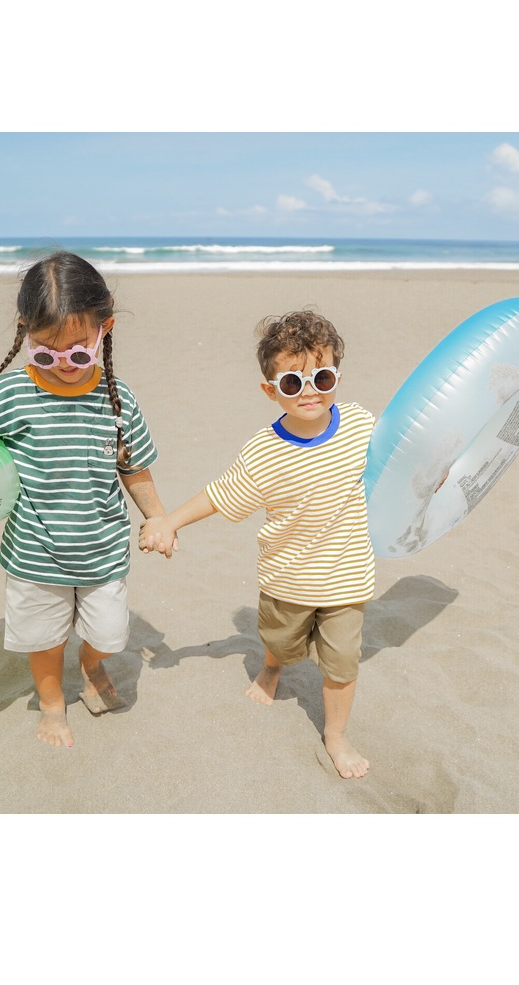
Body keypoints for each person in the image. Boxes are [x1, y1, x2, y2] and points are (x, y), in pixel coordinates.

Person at [0, 251, 168, 749]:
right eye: (45, 353)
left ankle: (91, 665)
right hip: (34, 553)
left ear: (105, 329)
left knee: (108, 636)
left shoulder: (118, 399)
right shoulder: (8, 396)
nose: (63, 364)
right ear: (25, 331)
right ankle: (51, 702)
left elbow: (134, 467)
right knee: (43, 641)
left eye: (78, 353)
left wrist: (157, 517)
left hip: (103, 552)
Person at [140, 310, 376, 778]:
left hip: (347, 578)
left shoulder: (360, 425)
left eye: (322, 377)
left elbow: (401, 460)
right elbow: (220, 493)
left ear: (337, 377)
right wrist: (170, 522)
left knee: (342, 664)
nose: (309, 391)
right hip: (287, 578)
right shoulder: (264, 451)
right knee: (280, 642)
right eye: (292, 382)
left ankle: (336, 734)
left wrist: (436, 476)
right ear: (271, 391)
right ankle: (272, 668)